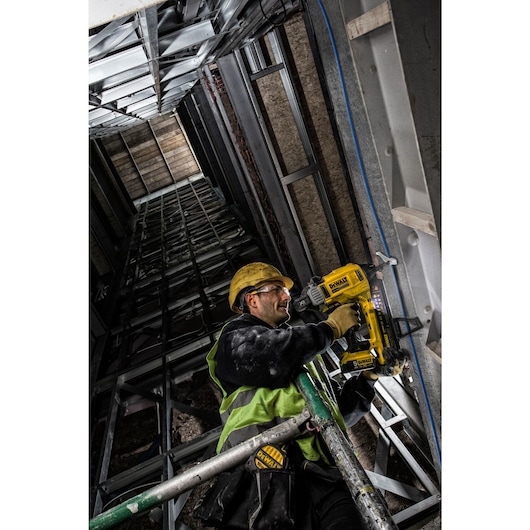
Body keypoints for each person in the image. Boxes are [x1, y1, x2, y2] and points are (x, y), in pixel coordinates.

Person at [195, 262, 405, 529]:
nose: (287, 297)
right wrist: (330, 329)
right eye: (277, 290)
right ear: (252, 299)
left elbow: (339, 414)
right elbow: (269, 359)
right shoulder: (235, 339)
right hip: (263, 468)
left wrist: (370, 376)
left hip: (325, 476)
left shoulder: (303, 366)